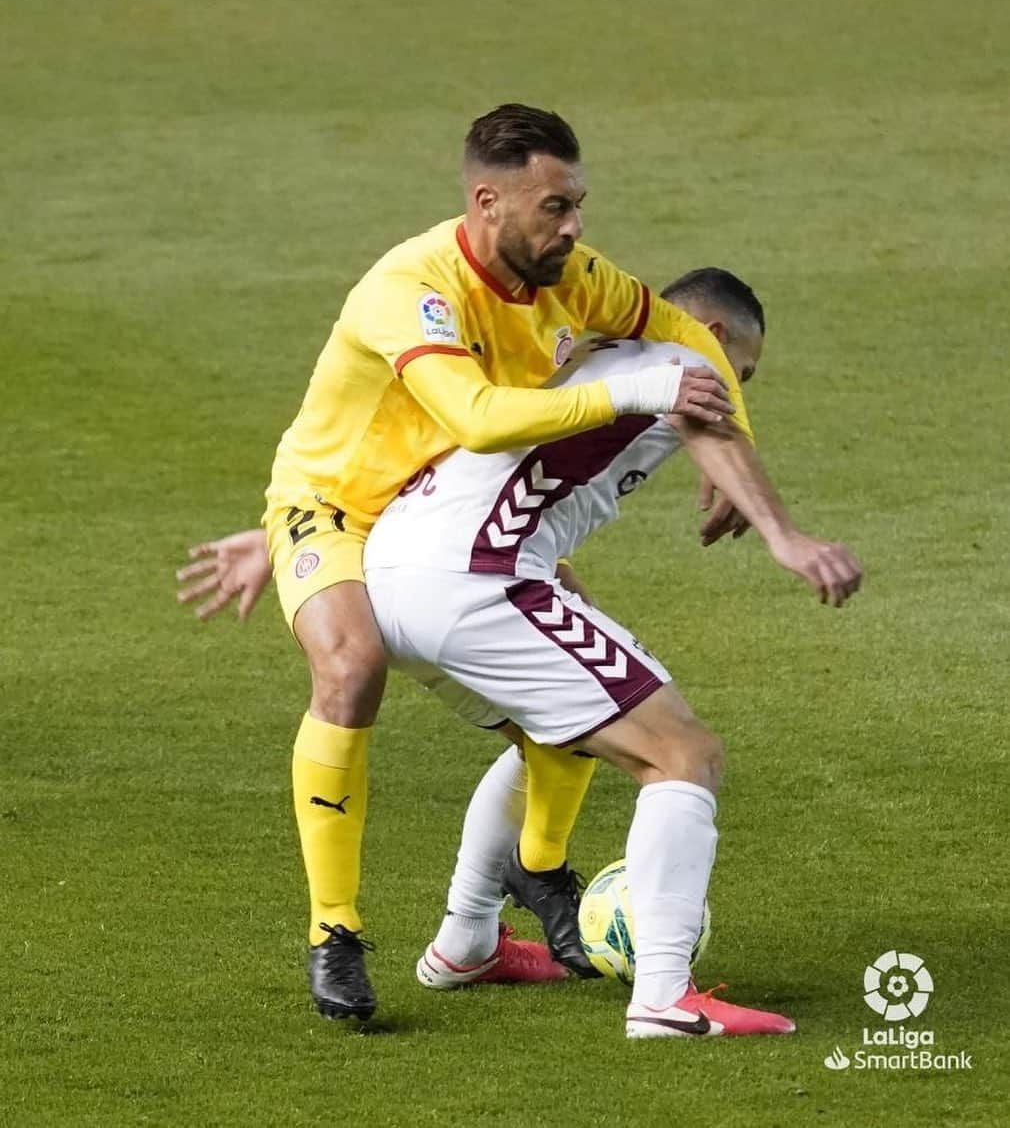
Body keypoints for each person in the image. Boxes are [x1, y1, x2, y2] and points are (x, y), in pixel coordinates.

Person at [179, 103, 750, 1022]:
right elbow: (481, 419)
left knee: (561, 658)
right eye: (554, 206)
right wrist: (281, 538)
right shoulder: (413, 286)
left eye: (578, 205)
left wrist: (737, 459)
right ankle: (335, 930)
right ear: (488, 200)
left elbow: (696, 339)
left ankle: (531, 872)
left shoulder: (565, 278)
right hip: (330, 509)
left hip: (436, 516)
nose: (574, 226)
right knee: (352, 664)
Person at [358, 268, 862, 1036]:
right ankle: (664, 996)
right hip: (474, 579)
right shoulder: (679, 363)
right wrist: (784, 536)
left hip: (394, 574)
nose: (737, 390)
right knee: (684, 753)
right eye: (743, 373)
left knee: (549, 739)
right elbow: (705, 410)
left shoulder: (598, 354)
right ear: (715, 337)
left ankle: (467, 939)